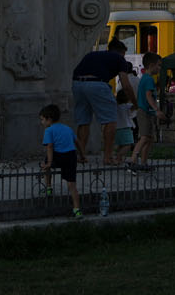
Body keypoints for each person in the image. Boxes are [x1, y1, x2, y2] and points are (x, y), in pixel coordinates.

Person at [70, 36, 136, 164]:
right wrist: (135, 102)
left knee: (83, 121)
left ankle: (81, 155)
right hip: (97, 84)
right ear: (121, 52)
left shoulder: (92, 55)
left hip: (77, 83)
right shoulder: (119, 58)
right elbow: (126, 84)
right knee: (110, 120)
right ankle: (108, 157)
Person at [38, 104, 81, 217]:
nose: (42, 122)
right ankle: (77, 209)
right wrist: (82, 155)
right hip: (71, 155)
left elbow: (50, 146)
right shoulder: (68, 128)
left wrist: (49, 162)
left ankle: (48, 187)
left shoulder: (49, 130)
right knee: (72, 184)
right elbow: (77, 142)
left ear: (49, 119)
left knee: (46, 166)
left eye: (42, 119)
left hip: (58, 155)